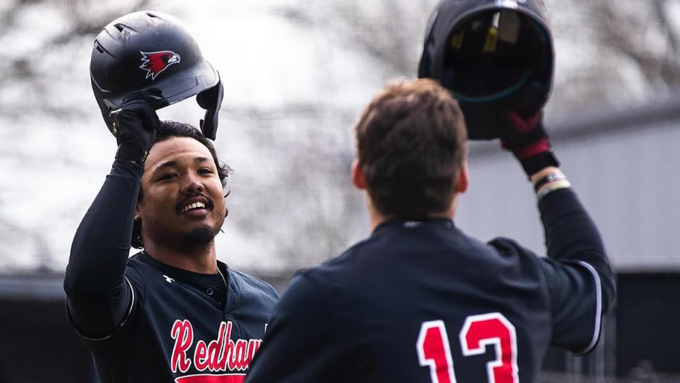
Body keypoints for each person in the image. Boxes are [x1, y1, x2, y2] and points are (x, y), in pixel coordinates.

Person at [245, 79, 615, 383]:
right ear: (462, 178)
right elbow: (595, 283)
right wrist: (537, 155)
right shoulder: (521, 277)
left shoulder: (325, 296)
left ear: (359, 176)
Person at [64, 11, 278, 383]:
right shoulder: (131, 295)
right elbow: (87, 285)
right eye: (168, 176)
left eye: (205, 170)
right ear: (135, 206)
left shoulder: (266, 301)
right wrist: (129, 157)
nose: (193, 183)